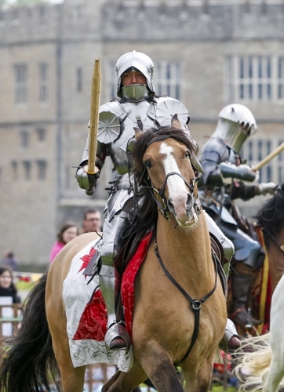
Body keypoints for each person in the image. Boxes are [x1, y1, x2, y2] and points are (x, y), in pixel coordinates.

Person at [75, 50, 208, 351]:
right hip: (127, 191)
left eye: (138, 75)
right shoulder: (107, 113)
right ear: (120, 79)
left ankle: (220, 316)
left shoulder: (167, 108)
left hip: (169, 186)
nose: (133, 80)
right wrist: (87, 173)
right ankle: (113, 322)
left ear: (148, 78)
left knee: (220, 243)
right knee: (109, 250)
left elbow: (189, 148)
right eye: (127, 76)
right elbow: (89, 161)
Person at [199, 104, 278, 333]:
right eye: (243, 129)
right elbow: (204, 177)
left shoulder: (232, 154)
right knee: (251, 248)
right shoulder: (214, 147)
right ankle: (236, 307)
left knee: (257, 246)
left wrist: (260, 189)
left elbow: (231, 192)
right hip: (207, 211)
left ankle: (240, 303)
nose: (243, 135)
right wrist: (237, 172)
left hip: (225, 212)